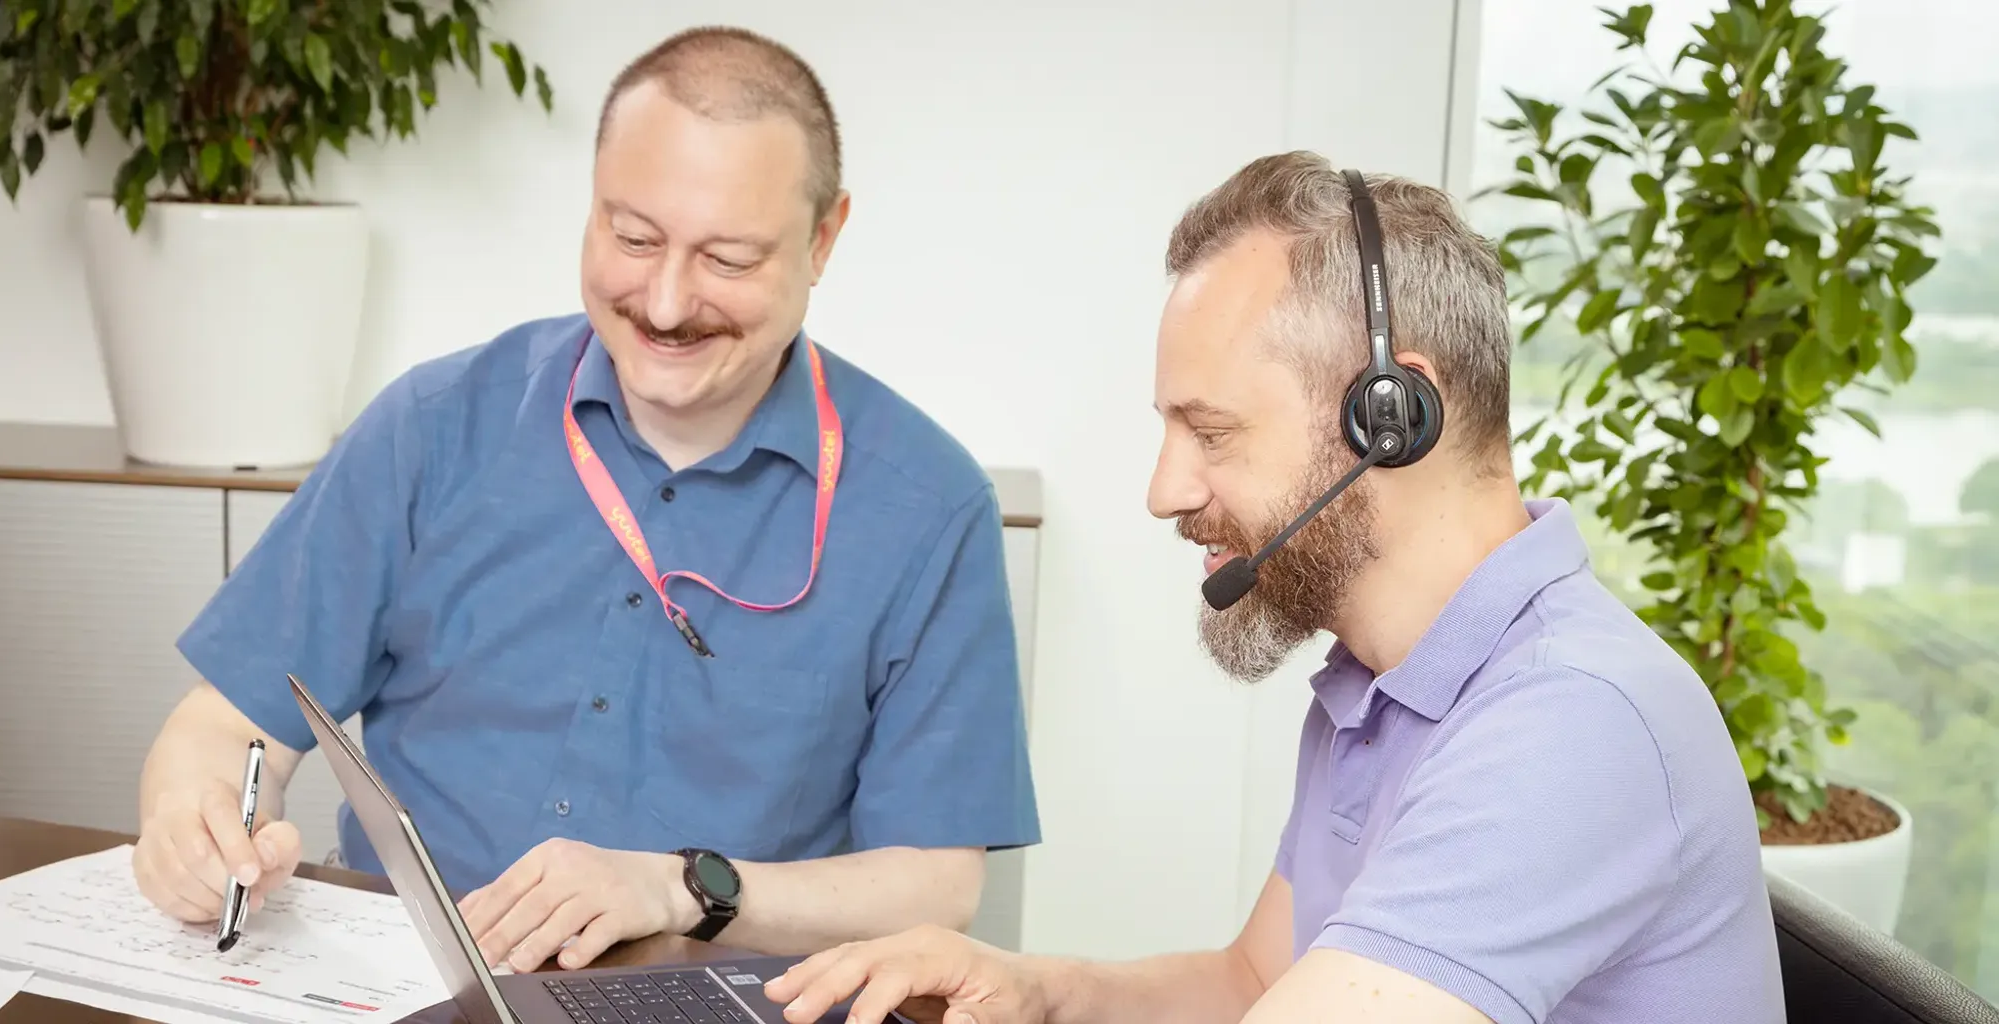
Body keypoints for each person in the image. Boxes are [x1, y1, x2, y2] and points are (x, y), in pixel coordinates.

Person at [759, 152, 1784, 1023]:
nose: (1164, 490)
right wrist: (1033, 989)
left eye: (1209, 434)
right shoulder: (1372, 686)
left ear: (1393, 417)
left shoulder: (1569, 722)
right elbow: (1252, 980)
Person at [128, 25, 1039, 973]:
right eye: (633, 237)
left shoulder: (928, 507)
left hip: (724, 998)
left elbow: (938, 881)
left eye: (727, 259)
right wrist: (195, 830)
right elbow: (227, 724)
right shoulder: (432, 428)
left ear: (824, 238)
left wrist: (680, 889)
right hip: (406, 984)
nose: (668, 303)